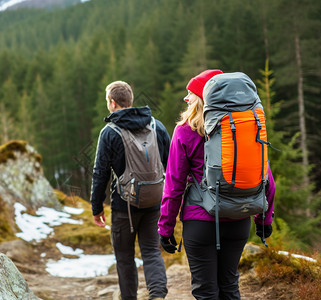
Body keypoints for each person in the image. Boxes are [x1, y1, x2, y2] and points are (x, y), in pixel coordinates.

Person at [158, 70, 275, 299]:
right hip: (239, 219)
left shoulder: (184, 131)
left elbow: (174, 186)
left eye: (190, 94)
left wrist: (166, 228)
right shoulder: (245, 128)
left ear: (201, 98)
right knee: (230, 286)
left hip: (200, 223)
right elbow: (266, 180)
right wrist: (264, 220)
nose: (187, 99)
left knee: (206, 291)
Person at [90, 81, 171, 300]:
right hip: (155, 202)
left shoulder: (109, 132)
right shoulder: (157, 126)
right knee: (152, 252)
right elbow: (171, 165)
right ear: (130, 101)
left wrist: (96, 207)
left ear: (112, 103)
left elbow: (100, 174)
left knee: (125, 257)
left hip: (123, 207)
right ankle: (157, 295)